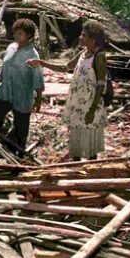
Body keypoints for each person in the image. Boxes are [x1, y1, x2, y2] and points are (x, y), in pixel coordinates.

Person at [27, 20, 108, 161]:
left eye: (84, 35)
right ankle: (75, 169)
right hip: (78, 104)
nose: (80, 37)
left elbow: (101, 84)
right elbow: (65, 68)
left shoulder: (99, 57)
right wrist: (41, 63)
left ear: (93, 40)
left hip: (90, 105)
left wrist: (92, 108)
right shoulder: (83, 54)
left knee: (90, 144)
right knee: (77, 141)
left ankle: (91, 175)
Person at [0, 19, 44, 156]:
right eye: (16, 33)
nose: (17, 36)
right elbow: (3, 68)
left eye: (20, 33)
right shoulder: (10, 48)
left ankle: (18, 155)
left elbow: (37, 77)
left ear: (29, 35)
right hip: (5, 91)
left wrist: (39, 99)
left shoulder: (32, 55)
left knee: (21, 128)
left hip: (22, 95)